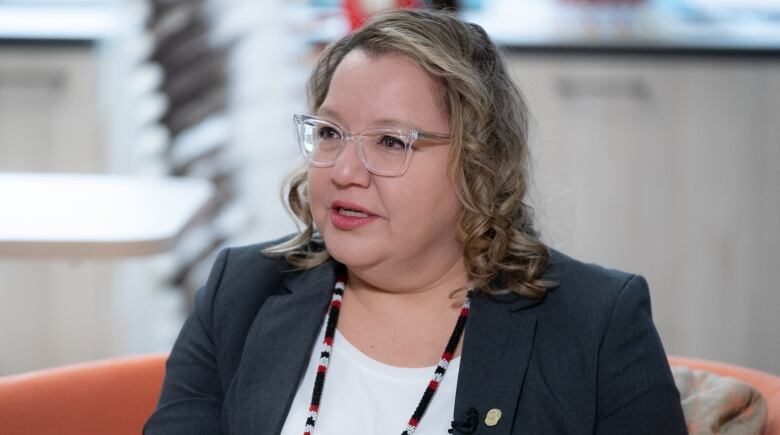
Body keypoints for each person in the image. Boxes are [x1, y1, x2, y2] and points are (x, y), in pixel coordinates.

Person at [145, 8, 687, 435]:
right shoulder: (239, 293)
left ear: (477, 162)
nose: (345, 171)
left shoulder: (596, 323)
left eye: (390, 142)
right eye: (330, 133)